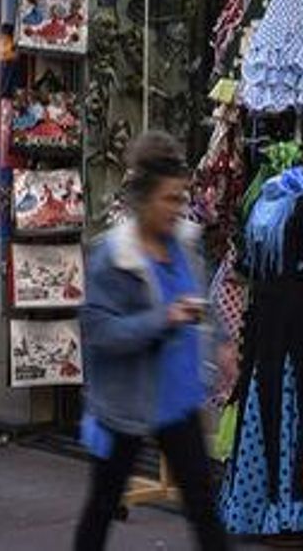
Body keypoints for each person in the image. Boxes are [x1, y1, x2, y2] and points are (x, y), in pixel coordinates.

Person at [74, 132, 235, 551]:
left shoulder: (184, 246)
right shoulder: (113, 257)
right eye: (168, 199)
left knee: (202, 505)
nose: (176, 209)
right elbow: (100, 331)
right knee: (103, 505)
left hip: (177, 401)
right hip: (125, 404)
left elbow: (200, 303)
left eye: (181, 198)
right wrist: (161, 318)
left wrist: (220, 341)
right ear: (144, 200)